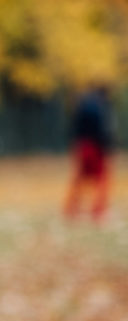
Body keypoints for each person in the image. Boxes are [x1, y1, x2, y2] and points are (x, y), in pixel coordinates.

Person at [65, 86, 114, 222]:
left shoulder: (82, 106)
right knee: (102, 179)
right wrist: (106, 146)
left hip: (81, 146)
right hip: (95, 147)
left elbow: (74, 129)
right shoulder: (98, 107)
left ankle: (71, 208)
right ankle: (98, 210)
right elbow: (101, 130)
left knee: (79, 179)